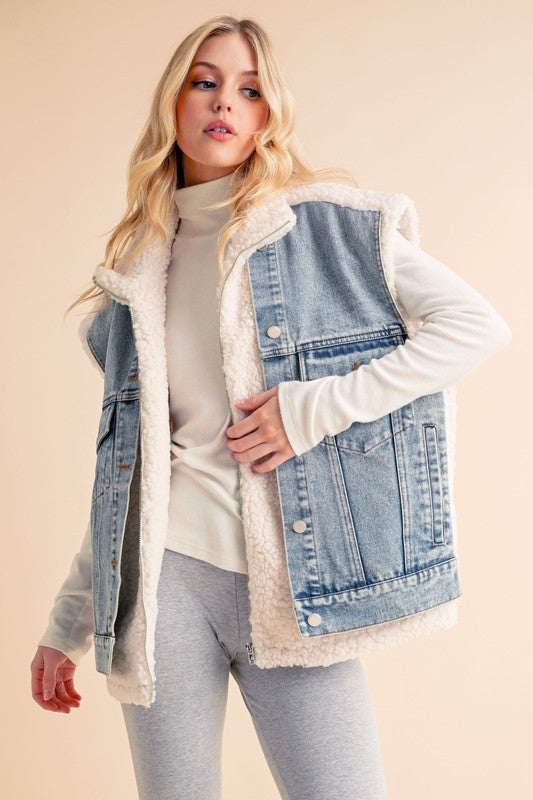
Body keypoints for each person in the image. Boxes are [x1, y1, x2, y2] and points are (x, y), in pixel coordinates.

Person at [30, 15, 512, 800]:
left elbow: (475, 326)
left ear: (267, 115)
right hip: (165, 584)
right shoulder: (136, 272)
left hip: (296, 581)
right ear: (174, 100)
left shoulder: (326, 231)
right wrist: (67, 625)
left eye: (249, 90)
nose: (225, 101)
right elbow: (127, 473)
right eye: (205, 82)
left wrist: (313, 409)